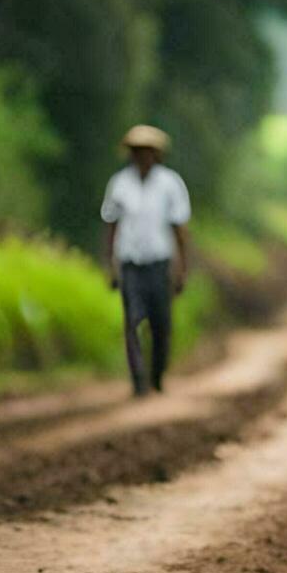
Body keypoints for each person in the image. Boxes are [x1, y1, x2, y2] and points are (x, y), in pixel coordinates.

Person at [101, 124, 191, 396]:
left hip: (159, 264)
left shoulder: (170, 184)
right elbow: (111, 226)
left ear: (156, 154)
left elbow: (180, 229)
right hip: (130, 264)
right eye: (137, 151)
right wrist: (110, 263)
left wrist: (182, 268)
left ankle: (157, 376)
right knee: (132, 322)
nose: (142, 156)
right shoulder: (119, 184)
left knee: (161, 324)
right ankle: (138, 381)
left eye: (147, 151)